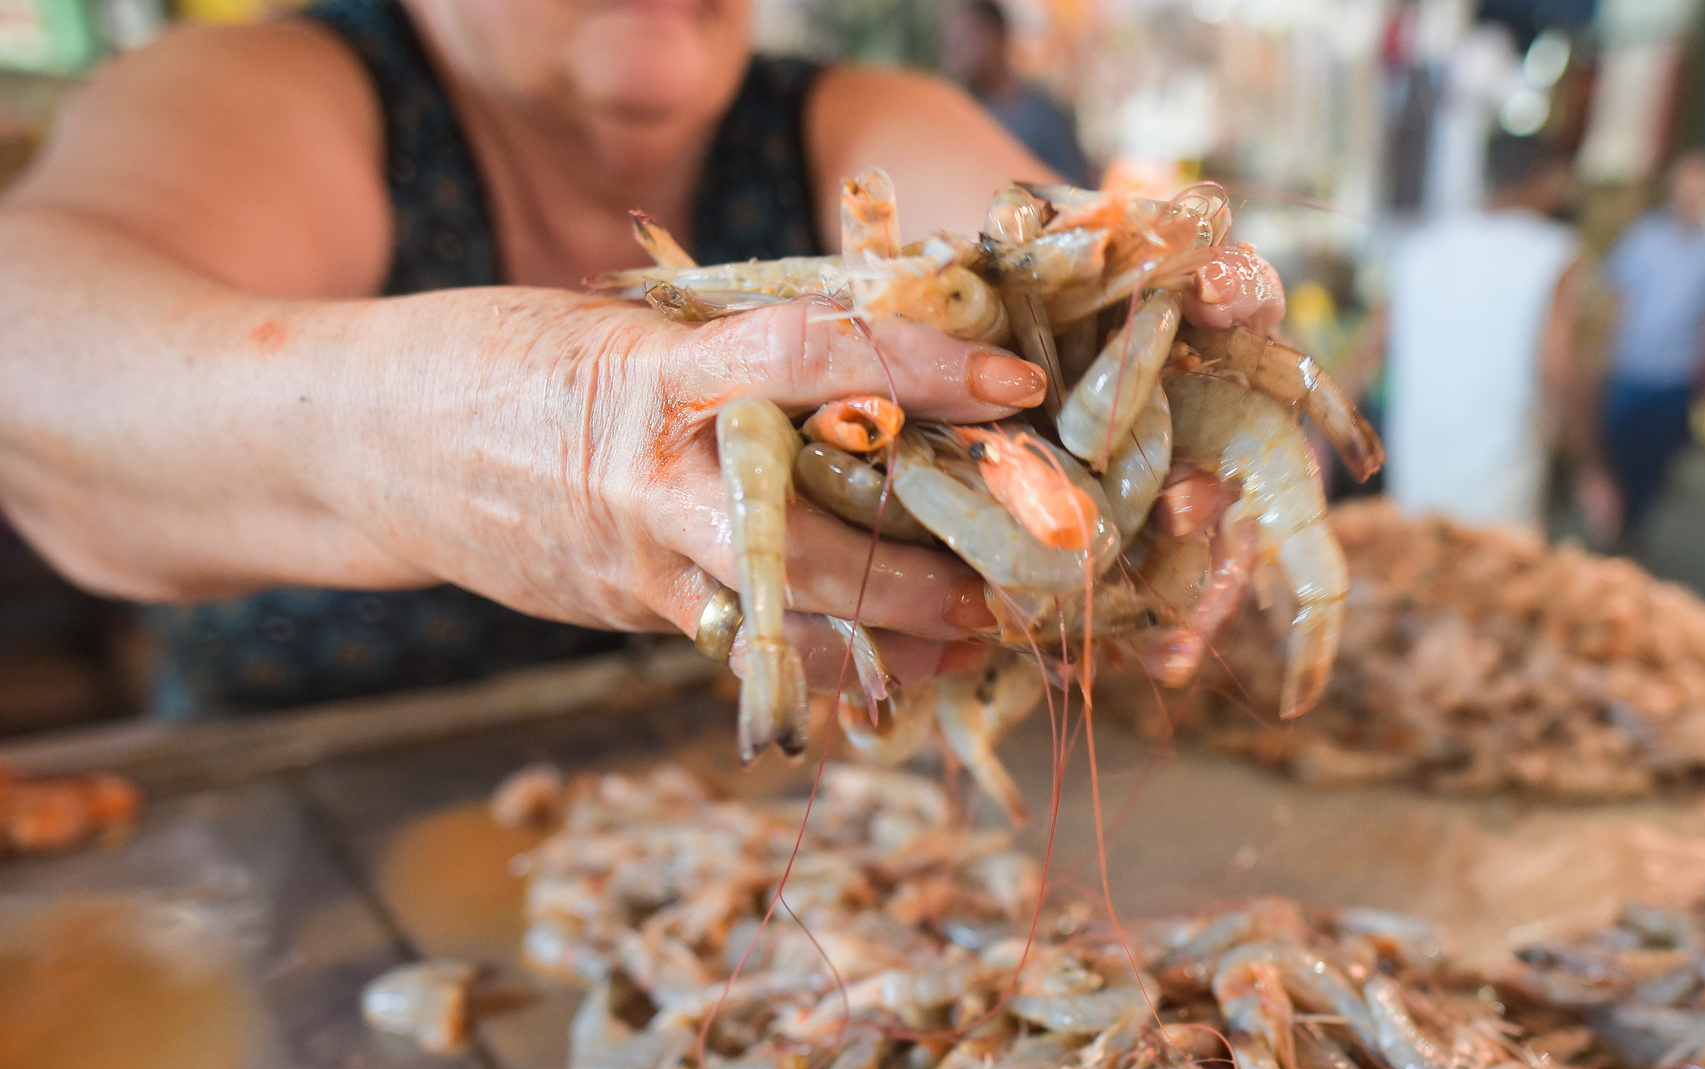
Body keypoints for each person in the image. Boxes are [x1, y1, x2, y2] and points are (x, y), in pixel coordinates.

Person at [0, 0, 1279, 716]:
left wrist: (1158, 318)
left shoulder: (843, 116)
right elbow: (33, 348)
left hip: (776, 861)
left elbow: (1039, 238)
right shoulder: (285, 85)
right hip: (298, 859)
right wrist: (518, 418)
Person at [1382, 132, 1615, 534]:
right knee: (1494, 584)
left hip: (1416, 460)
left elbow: (1372, 343)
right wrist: (1591, 467)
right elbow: (1557, 368)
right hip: (1501, 474)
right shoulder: (1552, 251)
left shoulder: (1423, 243)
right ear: (1546, 179)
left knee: (1409, 578)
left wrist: (1318, 439)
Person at [1598, 150, 1705, 537]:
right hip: (1630, 367)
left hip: (1676, 374)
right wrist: (1603, 354)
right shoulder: (1643, 238)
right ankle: (1608, 520)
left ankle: (1631, 528)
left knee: (1654, 460)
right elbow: (1618, 299)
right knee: (1614, 450)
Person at [940, 0, 1090, 187]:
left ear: (998, 36)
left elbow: (1076, 193)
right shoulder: (960, 116)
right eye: (952, 41)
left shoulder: (1044, 117)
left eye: (965, 39)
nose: (956, 51)